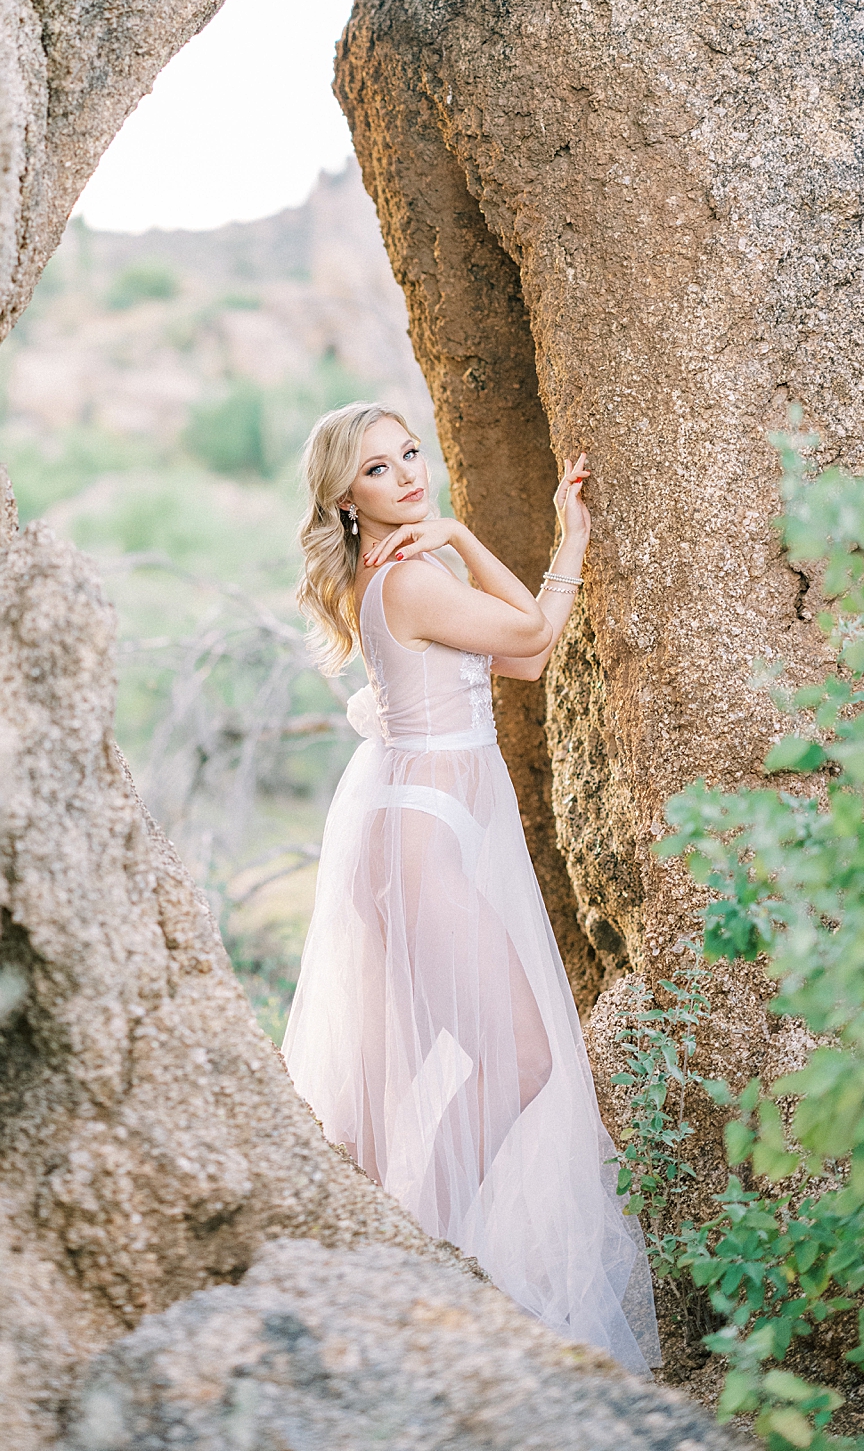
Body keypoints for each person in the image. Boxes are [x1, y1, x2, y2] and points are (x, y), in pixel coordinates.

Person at [281, 402, 659, 1373]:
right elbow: (531, 625)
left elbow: (528, 656)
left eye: (411, 452)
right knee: (518, 1059)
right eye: (379, 467)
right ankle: (415, 1267)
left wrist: (569, 541)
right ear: (347, 500)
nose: (409, 473)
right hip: (416, 845)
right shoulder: (411, 577)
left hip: (414, 834)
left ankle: (391, 1261)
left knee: (418, 1074)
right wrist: (456, 532)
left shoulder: (410, 576)